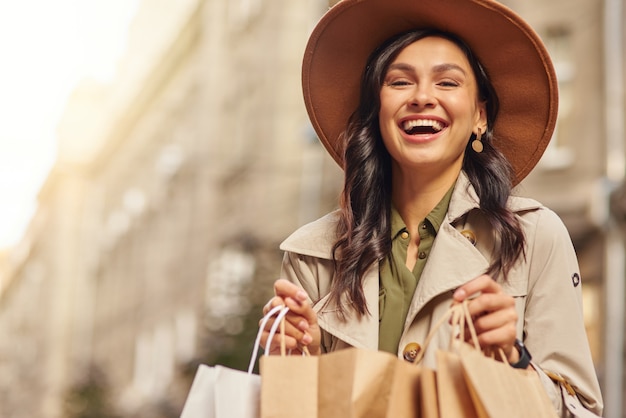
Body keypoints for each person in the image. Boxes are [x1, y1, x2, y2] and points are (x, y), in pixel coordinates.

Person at [261, 0, 603, 415]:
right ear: (376, 112)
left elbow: (580, 410)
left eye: (447, 83)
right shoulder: (312, 255)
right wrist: (300, 360)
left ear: (480, 116)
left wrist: (513, 363)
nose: (423, 97)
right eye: (400, 82)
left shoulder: (533, 238)